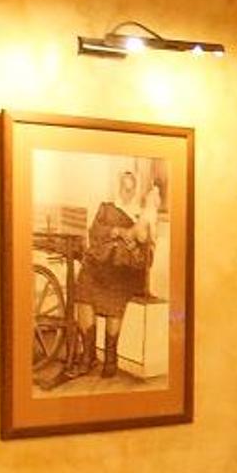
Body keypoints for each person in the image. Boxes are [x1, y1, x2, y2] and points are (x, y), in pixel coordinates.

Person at [78, 163, 160, 380]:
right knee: (84, 285)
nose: (127, 192)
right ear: (118, 187)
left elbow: (146, 247)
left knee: (115, 288)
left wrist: (133, 240)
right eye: (124, 187)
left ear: (137, 189)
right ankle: (88, 356)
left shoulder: (142, 214)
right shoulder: (106, 208)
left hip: (125, 267)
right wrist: (117, 231)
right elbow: (95, 232)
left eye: (131, 188)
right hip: (99, 262)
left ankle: (111, 358)